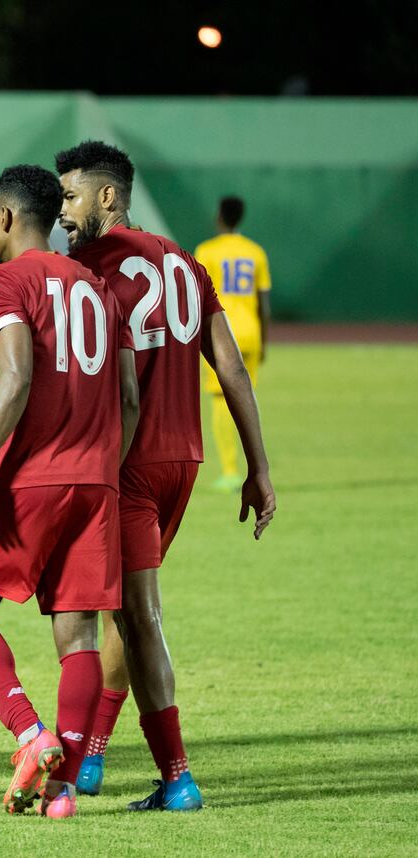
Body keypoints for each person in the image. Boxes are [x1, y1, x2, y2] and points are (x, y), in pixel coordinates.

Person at [57, 140, 276, 811]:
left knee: (130, 616)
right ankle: (92, 759)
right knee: (129, 606)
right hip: (182, 458)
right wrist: (258, 468)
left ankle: (177, 778)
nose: (62, 211)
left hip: (125, 460)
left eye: (69, 196)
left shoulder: (90, 265)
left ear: (107, 197)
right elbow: (231, 366)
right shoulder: (184, 261)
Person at [0, 165, 141, 820]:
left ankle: (32, 735)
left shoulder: (5, 282)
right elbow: (131, 399)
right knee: (78, 634)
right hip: (96, 481)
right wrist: (104, 464)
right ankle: (61, 792)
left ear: (2, 217)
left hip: (31, 478)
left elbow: (17, 376)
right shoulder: (98, 286)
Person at [194, 196, 272, 491]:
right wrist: (264, 341)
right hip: (250, 332)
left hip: (221, 334)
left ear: (219, 216)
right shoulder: (255, 252)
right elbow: (264, 304)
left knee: (220, 401)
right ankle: (256, 463)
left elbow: (198, 298)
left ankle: (230, 470)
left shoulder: (207, 251)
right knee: (247, 397)